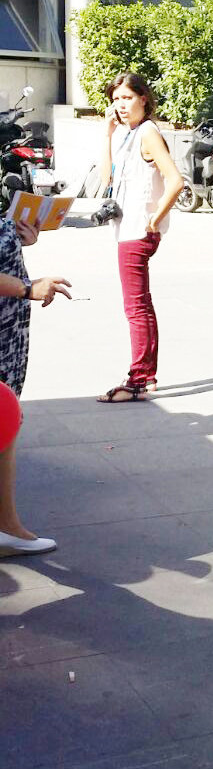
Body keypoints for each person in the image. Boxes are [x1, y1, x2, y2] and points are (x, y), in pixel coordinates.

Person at [95, 73, 183, 403]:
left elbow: (175, 180)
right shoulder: (126, 134)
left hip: (137, 231)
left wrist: (154, 219)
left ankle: (139, 380)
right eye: (115, 99)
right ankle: (148, 375)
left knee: (136, 307)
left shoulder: (147, 131)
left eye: (127, 98)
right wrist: (107, 132)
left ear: (143, 99)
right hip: (127, 229)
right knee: (140, 304)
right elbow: (106, 179)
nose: (120, 104)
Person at [0, 215, 71, 555]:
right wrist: (28, 288)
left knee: (5, 422)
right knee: (4, 422)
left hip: (7, 326)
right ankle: (6, 528)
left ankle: (6, 526)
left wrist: (16, 241)